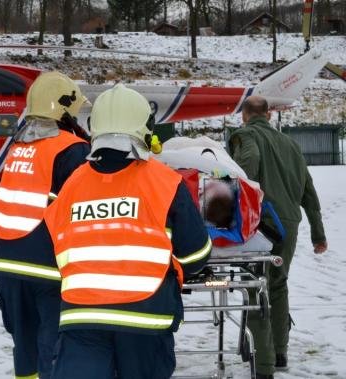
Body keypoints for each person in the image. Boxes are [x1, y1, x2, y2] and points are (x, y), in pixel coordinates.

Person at [43, 84, 212, 379]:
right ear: (145, 127)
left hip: (82, 320)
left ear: (94, 127)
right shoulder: (166, 182)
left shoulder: (71, 185)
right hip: (144, 320)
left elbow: (56, 246)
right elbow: (196, 255)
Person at [0, 71, 90, 379]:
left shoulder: (19, 147)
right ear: (64, 109)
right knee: (53, 352)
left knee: (26, 351)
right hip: (49, 267)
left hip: (8, 263)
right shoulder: (72, 148)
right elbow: (85, 207)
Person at [228, 95, 328, 379]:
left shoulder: (245, 135)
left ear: (245, 116)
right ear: (269, 115)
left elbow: (247, 165)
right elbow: (309, 191)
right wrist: (318, 234)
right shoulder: (291, 144)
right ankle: (281, 351)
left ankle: (264, 365)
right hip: (289, 225)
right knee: (278, 284)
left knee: (255, 286)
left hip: (262, 225)